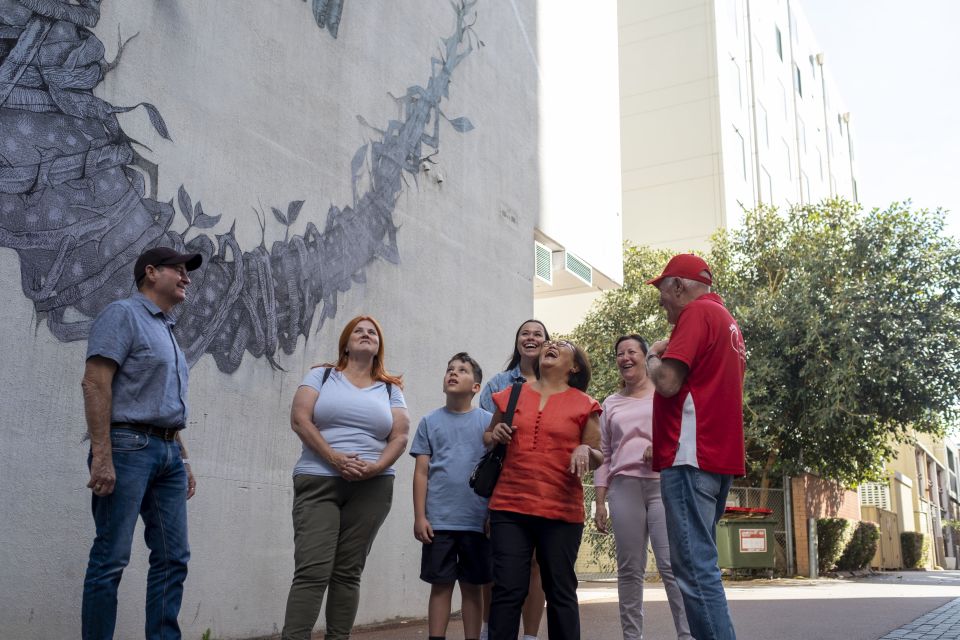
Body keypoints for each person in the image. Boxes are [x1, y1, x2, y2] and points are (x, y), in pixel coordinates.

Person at [81, 246, 203, 640]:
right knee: (111, 558)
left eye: (188, 272)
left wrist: (182, 459)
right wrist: (102, 456)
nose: (186, 278)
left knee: (173, 558)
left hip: (167, 452)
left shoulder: (166, 329)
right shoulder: (123, 315)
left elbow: (162, 402)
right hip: (127, 447)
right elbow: (95, 382)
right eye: (179, 270)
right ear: (151, 272)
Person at [281, 315, 411, 640]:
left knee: (348, 572)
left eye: (372, 332)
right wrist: (334, 458)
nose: (366, 335)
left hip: (372, 487)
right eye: (359, 331)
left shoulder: (391, 388)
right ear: (346, 342)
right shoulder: (322, 375)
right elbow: (300, 419)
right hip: (318, 480)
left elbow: (399, 436)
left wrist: (377, 467)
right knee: (312, 569)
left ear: (379, 345)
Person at [644, 254, 746, 640]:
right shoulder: (727, 322)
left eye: (662, 292)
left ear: (679, 286)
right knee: (701, 565)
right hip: (715, 458)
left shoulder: (697, 314)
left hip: (691, 458)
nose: (661, 302)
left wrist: (654, 353)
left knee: (693, 568)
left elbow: (668, 383)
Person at [484, 339, 602, 640]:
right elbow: (488, 437)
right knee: (508, 589)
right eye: (550, 343)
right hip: (509, 506)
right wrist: (494, 433)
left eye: (562, 345)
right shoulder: (511, 395)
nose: (552, 344)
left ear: (574, 366)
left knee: (560, 591)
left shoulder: (585, 403)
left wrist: (584, 451)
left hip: (561, 511)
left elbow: (599, 454)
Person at [594, 335, 693, 640]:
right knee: (629, 569)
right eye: (619, 354)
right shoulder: (610, 403)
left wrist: (662, 446)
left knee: (671, 565)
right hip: (624, 489)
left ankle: (687, 634)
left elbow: (686, 434)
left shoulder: (665, 395)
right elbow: (605, 455)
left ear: (646, 356)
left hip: (664, 484)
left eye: (631, 352)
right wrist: (600, 502)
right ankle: (631, 636)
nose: (625, 357)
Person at [411, 352, 493, 640]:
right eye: (449, 369)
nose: (453, 373)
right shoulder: (429, 422)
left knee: (472, 587)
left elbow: (498, 473)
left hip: (476, 521)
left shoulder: (489, 424)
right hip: (439, 522)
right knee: (441, 585)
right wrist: (420, 516)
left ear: (476, 387)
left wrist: (492, 513)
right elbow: (421, 472)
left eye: (462, 370)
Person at [478, 319, 550, 640]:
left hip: (543, 486)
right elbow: (482, 435)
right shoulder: (498, 384)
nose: (531, 338)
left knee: (537, 564)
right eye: (525, 333)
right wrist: (495, 433)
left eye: (538, 334)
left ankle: (531, 636)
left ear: (547, 342)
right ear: (517, 341)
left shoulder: (561, 384)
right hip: (503, 485)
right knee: (498, 563)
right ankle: (488, 630)